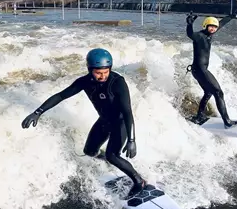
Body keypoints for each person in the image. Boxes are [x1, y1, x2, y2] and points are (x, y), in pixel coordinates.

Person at [21, 48, 146, 198]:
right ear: (90, 69)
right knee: (89, 151)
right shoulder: (84, 82)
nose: (102, 76)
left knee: (113, 155)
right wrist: (37, 112)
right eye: (98, 72)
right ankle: (108, 159)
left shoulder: (117, 82)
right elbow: (61, 96)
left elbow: (127, 111)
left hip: (121, 123)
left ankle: (139, 181)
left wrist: (132, 140)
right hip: (104, 121)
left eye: (106, 72)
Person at [186, 8, 237, 129]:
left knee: (209, 92)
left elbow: (220, 24)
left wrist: (231, 16)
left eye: (214, 27)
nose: (213, 29)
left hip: (198, 70)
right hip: (200, 70)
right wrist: (189, 24)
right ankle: (227, 121)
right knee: (218, 92)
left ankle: (199, 115)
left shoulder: (210, 35)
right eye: (211, 26)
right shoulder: (200, 36)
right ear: (205, 26)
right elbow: (190, 34)